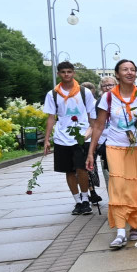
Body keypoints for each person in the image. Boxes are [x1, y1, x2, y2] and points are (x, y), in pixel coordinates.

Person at [86, 59, 137, 249]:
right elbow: (98, 126)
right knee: (118, 185)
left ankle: (135, 226)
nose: (129, 72)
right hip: (116, 146)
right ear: (117, 74)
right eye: (125, 69)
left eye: (133, 69)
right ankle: (120, 231)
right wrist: (90, 152)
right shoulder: (108, 98)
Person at [43, 61, 97, 215]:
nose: (66, 75)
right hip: (62, 137)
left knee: (82, 169)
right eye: (63, 72)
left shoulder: (84, 92)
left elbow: (91, 117)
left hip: (81, 136)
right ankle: (77, 201)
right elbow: (51, 118)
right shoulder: (53, 94)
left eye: (69, 72)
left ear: (73, 73)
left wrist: (89, 133)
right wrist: (47, 140)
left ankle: (86, 199)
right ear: (58, 74)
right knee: (69, 171)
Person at [96, 76, 116, 188]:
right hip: (104, 141)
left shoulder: (120, 100)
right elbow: (95, 124)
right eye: (105, 86)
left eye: (111, 85)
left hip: (120, 140)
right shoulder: (99, 102)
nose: (108, 88)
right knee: (108, 171)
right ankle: (112, 196)